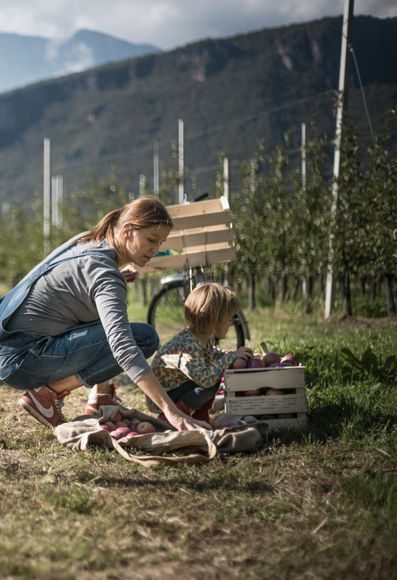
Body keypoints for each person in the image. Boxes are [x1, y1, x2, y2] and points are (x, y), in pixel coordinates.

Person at [0, 197, 211, 431]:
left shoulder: (86, 243)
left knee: (114, 323)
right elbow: (123, 348)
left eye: (160, 243)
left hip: (12, 350)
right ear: (128, 231)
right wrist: (172, 411)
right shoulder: (105, 274)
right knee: (143, 338)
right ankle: (48, 394)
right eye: (151, 239)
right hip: (22, 361)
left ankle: (100, 397)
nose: (155, 249)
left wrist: (117, 277)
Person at [149, 283, 253, 423]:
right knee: (210, 382)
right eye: (229, 318)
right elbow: (204, 378)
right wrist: (230, 358)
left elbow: (211, 352)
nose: (231, 323)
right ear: (213, 318)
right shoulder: (188, 345)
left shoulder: (202, 337)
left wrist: (227, 355)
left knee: (214, 376)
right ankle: (174, 416)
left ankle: (200, 416)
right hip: (163, 398)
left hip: (177, 387)